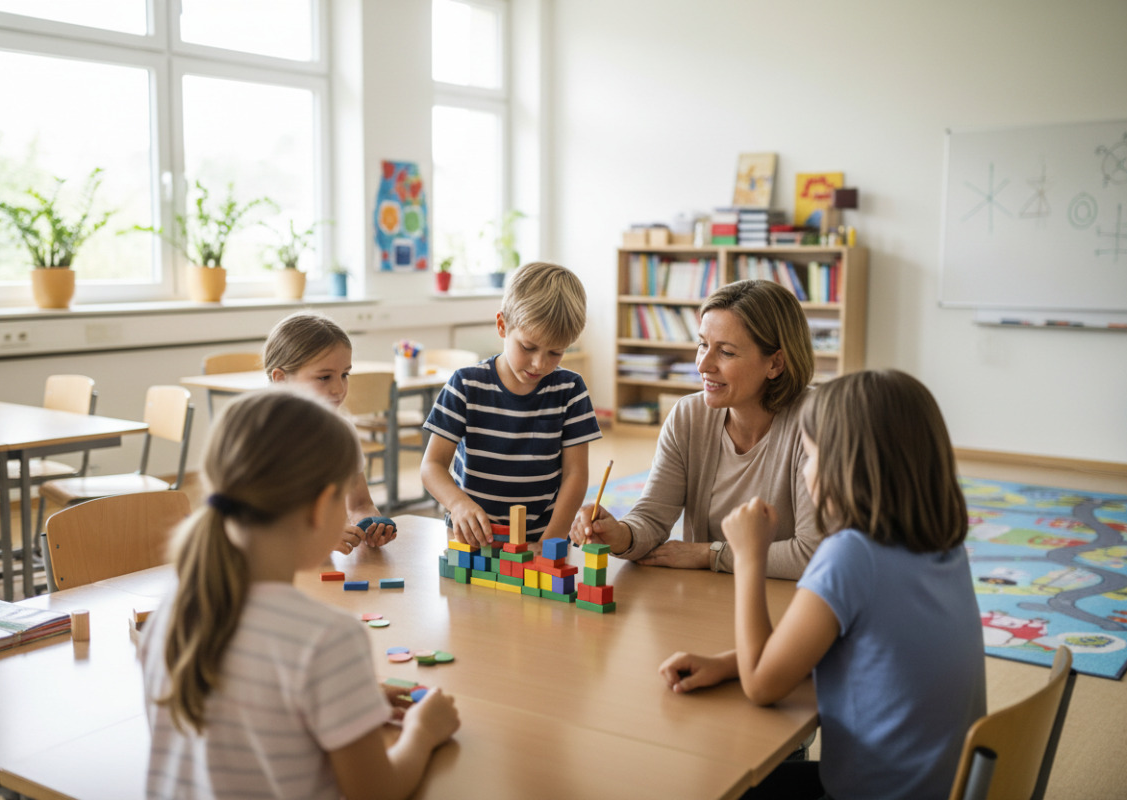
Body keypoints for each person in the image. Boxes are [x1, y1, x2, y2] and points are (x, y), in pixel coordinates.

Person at [659, 370, 986, 800]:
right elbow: (844, 650)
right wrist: (726, 664)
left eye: (809, 456)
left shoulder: (852, 555)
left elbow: (762, 686)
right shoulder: (944, 543)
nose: (806, 469)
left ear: (847, 466)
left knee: (715, 779)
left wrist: (748, 554)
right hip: (950, 788)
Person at [139, 389, 459, 800]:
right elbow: (377, 792)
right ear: (321, 505)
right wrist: (423, 732)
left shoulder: (171, 614)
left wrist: (350, 696)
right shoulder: (327, 638)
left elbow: (246, 710)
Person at [571, 279, 820, 578]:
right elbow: (652, 519)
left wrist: (709, 554)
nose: (703, 365)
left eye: (726, 352)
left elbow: (812, 553)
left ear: (776, 363)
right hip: (705, 595)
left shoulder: (816, 422)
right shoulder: (688, 416)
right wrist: (619, 534)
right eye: (703, 344)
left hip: (786, 604)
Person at [422, 261, 602, 546]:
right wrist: (458, 504)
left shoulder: (571, 390)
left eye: (555, 352)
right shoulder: (466, 385)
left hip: (540, 538)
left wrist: (551, 539)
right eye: (528, 347)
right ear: (502, 325)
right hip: (473, 538)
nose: (539, 363)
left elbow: (576, 474)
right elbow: (431, 465)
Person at [264, 310, 395, 552]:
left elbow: (359, 504)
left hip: (321, 570)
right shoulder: (260, 437)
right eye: (324, 377)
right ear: (281, 379)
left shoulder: (342, 433)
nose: (339, 389)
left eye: (344, 375)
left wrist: (370, 524)